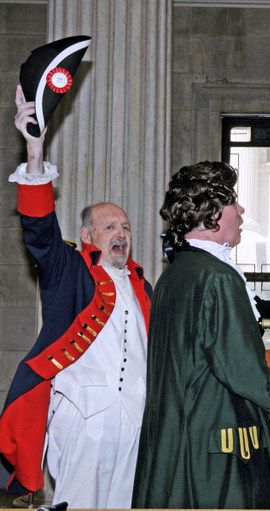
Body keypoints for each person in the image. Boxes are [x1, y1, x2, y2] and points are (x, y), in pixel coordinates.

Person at [131, 161, 270, 509]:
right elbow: (242, 371)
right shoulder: (217, 277)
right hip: (214, 445)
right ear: (213, 211)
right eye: (233, 200)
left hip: (180, 434)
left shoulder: (177, 273)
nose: (241, 208)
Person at [0, 86, 152, 508]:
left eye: (125, 227)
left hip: (135, 417)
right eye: (110, 228)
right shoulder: (70, 270)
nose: (121, 234)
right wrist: (35, 150)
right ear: (87, 236)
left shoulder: (143, 285)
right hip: (84, 415)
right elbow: (41, 233)